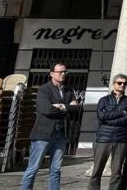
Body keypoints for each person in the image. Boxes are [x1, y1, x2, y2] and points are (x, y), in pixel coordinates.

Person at [22, 62, 78, 190]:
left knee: (56, 169)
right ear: (52, 74)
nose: (63, 74)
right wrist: (68, 107)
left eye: (65, 72)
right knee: (33, 168)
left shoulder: (69, 90)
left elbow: (77, 108)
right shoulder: (44, 89)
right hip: (43, 133)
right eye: (60, 72)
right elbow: (46, 109)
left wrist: (62, 106)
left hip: (61, 134)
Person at [90, 74, 127, 190]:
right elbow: (101, 116)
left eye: (125, 83)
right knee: (97, 171)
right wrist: (120, 113)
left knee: (117, 172)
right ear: (114, 84)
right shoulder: (104, 100)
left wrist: (109, 119)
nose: (122, 85)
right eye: (119, 83)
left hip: (121, 139)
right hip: (103, 138)